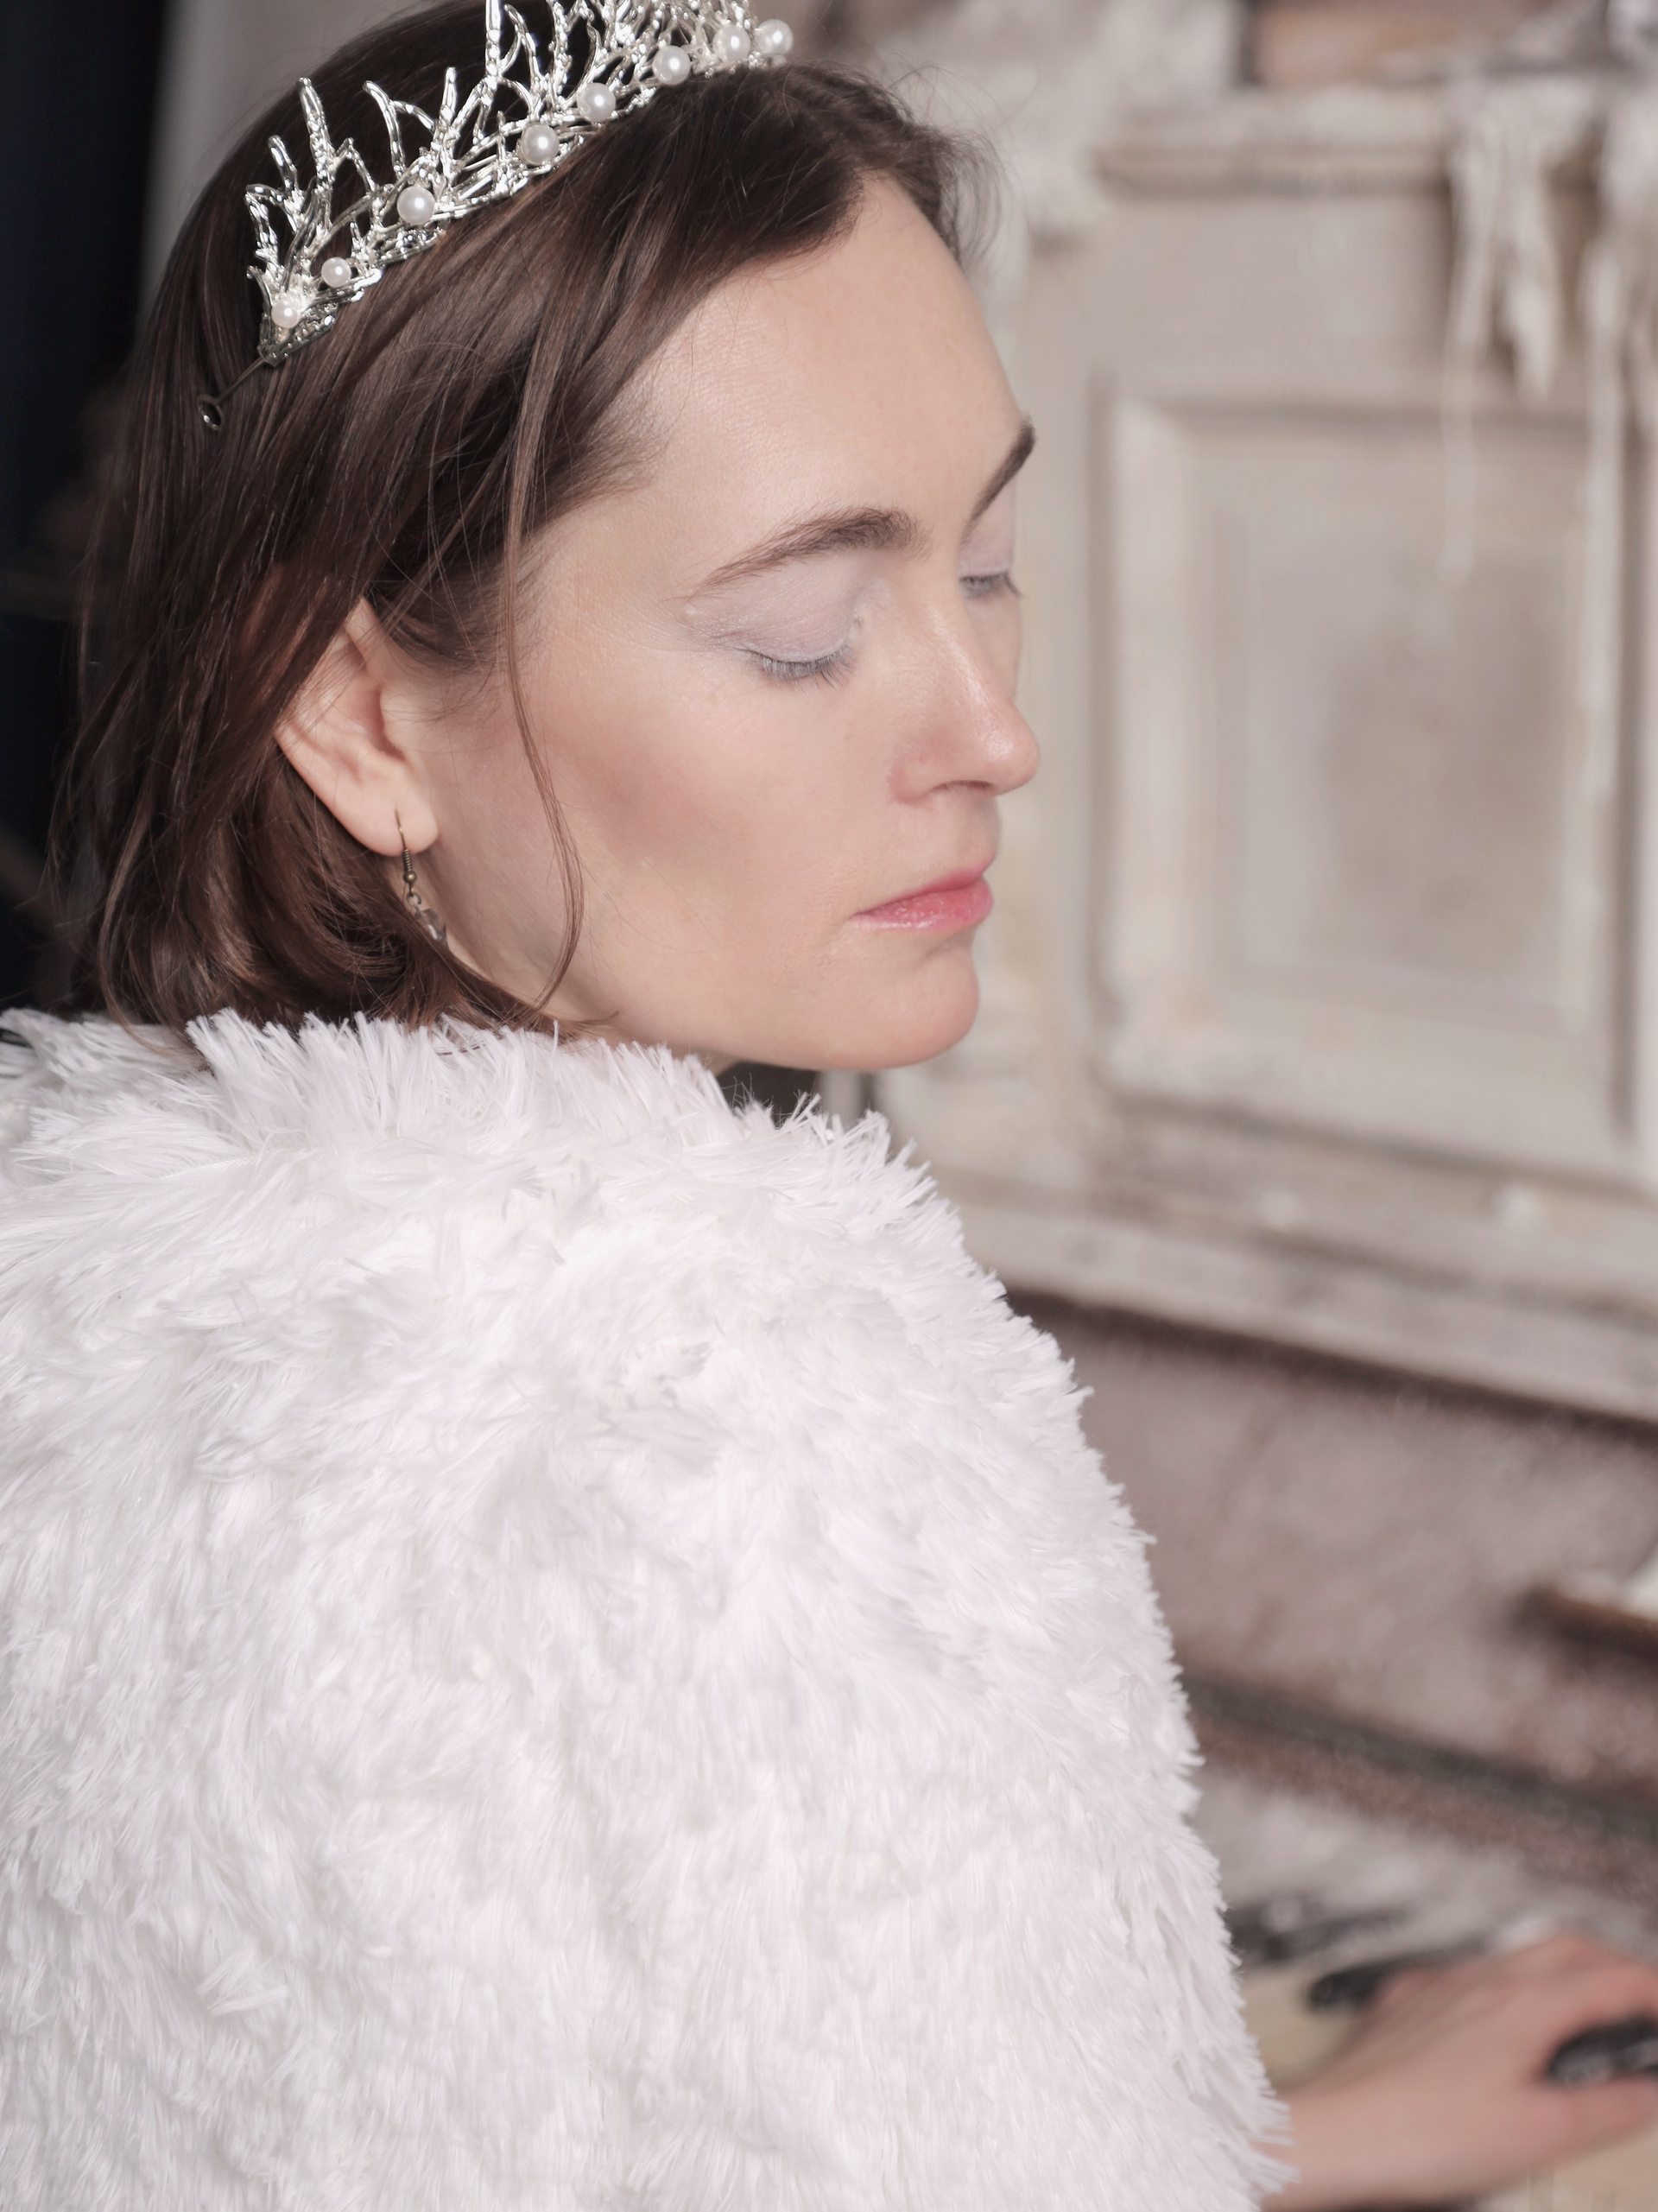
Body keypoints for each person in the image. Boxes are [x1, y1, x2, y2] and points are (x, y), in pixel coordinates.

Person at [1, 3, 1655, 2203]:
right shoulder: (754, 1407)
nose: (992, 729)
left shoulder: (77, 1276)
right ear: (360, 712)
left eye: (982, 564)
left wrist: (1277, 2138)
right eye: (801, 628)